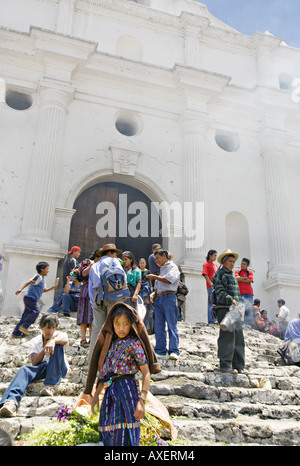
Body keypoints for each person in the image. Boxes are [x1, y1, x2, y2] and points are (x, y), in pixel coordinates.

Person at [83, 302, 161, 446]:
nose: (121, 328)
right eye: (117, 324)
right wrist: (95, 396)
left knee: (126, 433)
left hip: (127, 392)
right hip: (110, 394)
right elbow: (106, 375)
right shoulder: (110, 345)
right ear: (111, 324)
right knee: (109, 432)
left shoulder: (134, 344)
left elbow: (146, 373)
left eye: (125, 324)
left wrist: (142, 401)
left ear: (131, 324)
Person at [0, 314, 68, 417]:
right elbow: (35, 362)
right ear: (41, 328)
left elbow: (65, 340)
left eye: (53, 328)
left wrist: (52, 341)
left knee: (58, 345)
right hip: (43, 367)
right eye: (48, 328)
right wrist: (45, 349)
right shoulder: (34, 342)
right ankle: (11, 402)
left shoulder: (59, 334)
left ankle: (50, 385)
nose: (51, 331)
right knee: (24, 369)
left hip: (59, 367)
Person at [88, 243, 127, 359]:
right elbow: (122, 277)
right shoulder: (114, 262)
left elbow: (91, 287)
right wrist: (123, 293)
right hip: (114, 295)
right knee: (117, 326)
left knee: (97, 329)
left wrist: (93, 303)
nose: (116, 256)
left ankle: (93, 359)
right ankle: (114, 358)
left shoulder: (95, 265)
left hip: (98, 296)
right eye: (115, 253)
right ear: (110, 253)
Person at [213, 249, 245, 374]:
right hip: (224, 309)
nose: (232, 264)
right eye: (230, 261)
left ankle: (238, 365)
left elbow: (237, 295)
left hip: (235, 311)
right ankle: (225, 364)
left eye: (233, 261)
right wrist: (231, 300)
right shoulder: (219, 274)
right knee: (227, 337)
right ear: (224, 262)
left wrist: (239, 307)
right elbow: (220, 291)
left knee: (238, 338)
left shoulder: (232, 275)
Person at [148, 249, 180, 360]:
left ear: (165, 256)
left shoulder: (172, 267)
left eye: (158, 258)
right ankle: (160, 350)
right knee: (158, 326)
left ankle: (174, 350)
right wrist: (154, 293)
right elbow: (160, 285)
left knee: (171, 324)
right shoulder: (162, 269)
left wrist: (155, 277)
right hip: (160, 298)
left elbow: (169, 280)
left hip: (169, 298)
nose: (156, 261)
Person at [12, 262, 59, 338]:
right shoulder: (38, 276)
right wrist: (20, 289)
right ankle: (24, 326)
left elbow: (44, 290)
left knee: (26, 315)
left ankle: (15, 333)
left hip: (31, 299)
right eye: (47, 269)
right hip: (30, 298)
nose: (48, 270)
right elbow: (29, 281)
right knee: (35, 312)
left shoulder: (43, 279)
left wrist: (52, 288)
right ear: (42, 269)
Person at [76, 251, 102, 348]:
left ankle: (92, 339)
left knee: (92, 316)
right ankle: (83, 339)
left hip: (96, 290)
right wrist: (91, 266)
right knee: (83, 315)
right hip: (86, 289)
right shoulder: (87, 262)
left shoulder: (103, 264)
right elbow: (82, 274)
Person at [47, 245, 81, 314]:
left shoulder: (67, 260)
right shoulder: (73, 260)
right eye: (78, 252)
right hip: (69, 283)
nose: (79, 254)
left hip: (66, 282)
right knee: (62, 297)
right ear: (75, 252)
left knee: (62, 297)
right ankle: (52, 310)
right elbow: (74, 273)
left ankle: (52, 310)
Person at [235, 258, 254, 326]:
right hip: (239, 293)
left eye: (244, 264)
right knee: (238, 309)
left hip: (248, 293)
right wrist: (245, 278)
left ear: (247, 265)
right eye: (241, 264)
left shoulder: (250, 272)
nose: (242, 265)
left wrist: (240, 279)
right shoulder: (237, 271)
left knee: (248, 309)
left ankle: (248, 324)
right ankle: (238, 324)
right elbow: (236, 278)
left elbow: (250, 280)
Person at [202, 250, 218, 324]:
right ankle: (211, 320)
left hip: (217, 286)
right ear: (210, 255)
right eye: (214, 255)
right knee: (211, 302)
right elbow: (205, 274)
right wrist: (211, 283)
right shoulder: (206, 264)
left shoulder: (216, 265)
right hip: (211, 286)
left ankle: (216, 318)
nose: (215, 257)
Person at [138, 258, 153, 332]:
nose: (142, 264)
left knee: (146, 306)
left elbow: (150, 281)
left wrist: (151, 288)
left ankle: (146, 326)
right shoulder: (137, 271)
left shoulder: (148, 271)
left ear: (145, 263)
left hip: (146, 290)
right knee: (139, 306)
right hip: (139, 289)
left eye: (143, 263)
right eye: (141, 263)